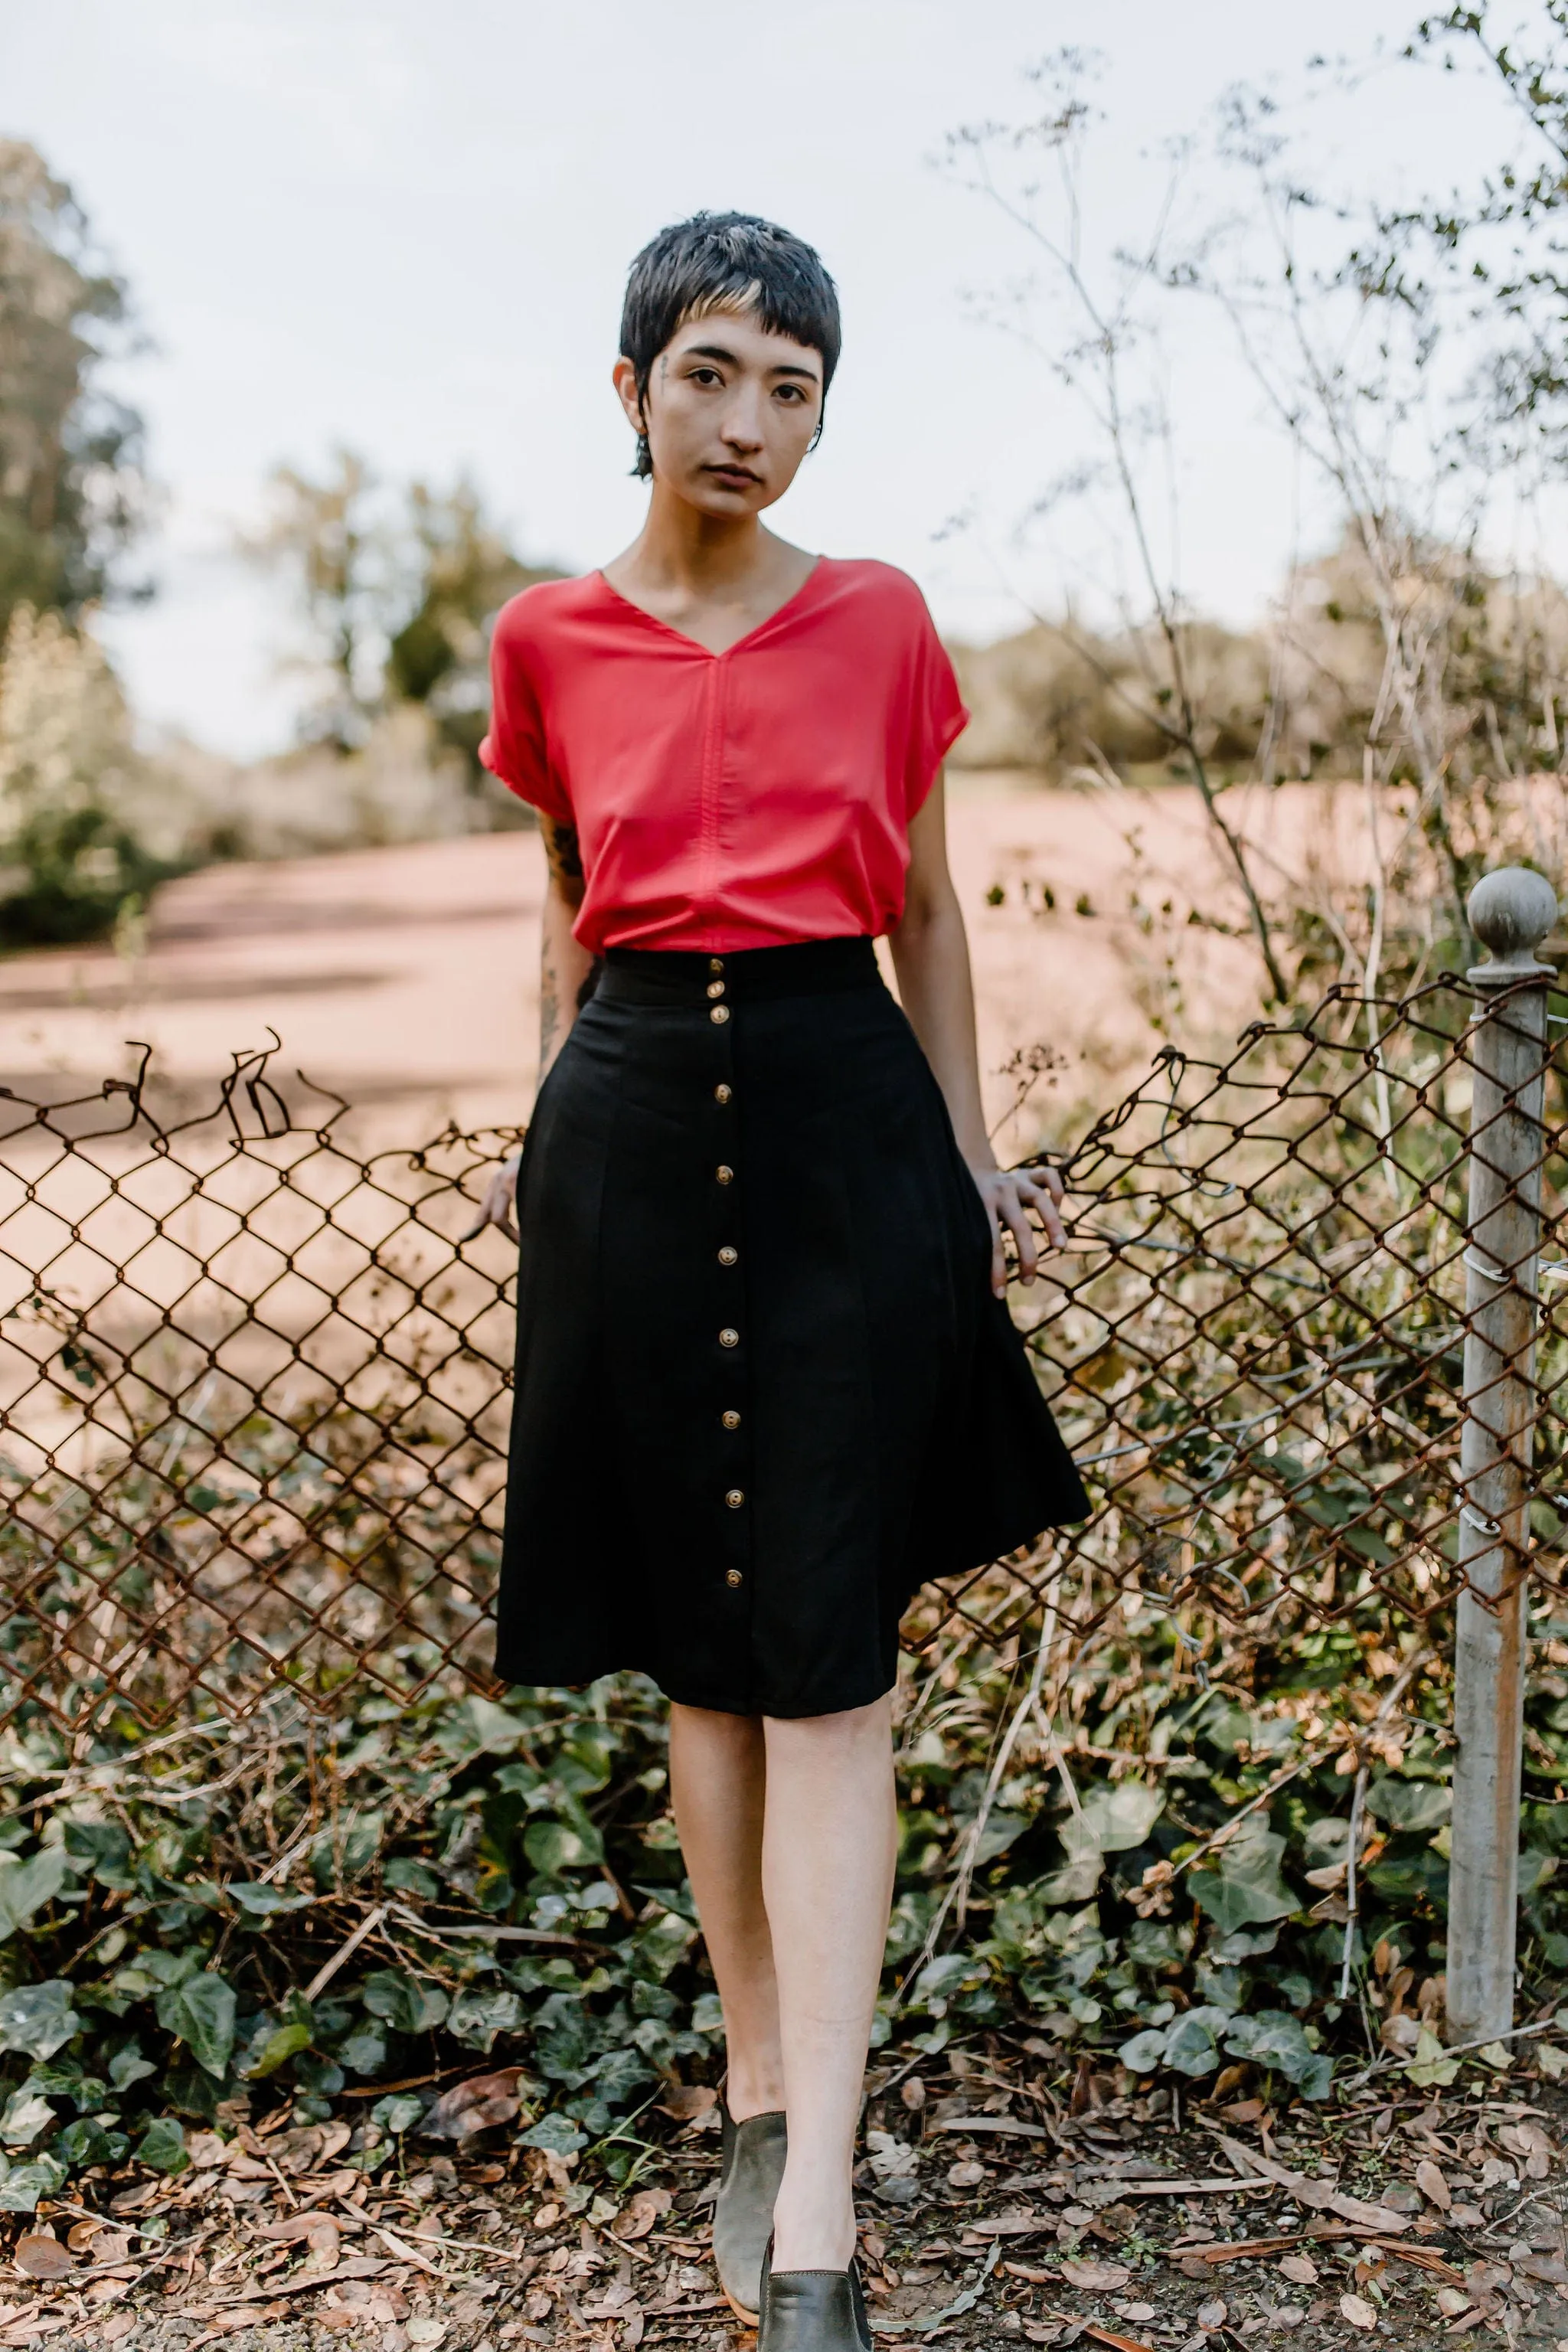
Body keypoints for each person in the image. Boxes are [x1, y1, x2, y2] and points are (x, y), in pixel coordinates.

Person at [469, 211, 1087, 2352]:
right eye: (712, 372)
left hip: (845, 1128)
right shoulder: (545, 639)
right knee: (700, 1661)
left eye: (794, 387)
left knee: (828, 1662)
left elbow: (929, 911)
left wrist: (974, 1156)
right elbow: (567, 906)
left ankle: (815, 2197)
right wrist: (543, 1145)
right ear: (630, 386)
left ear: (825, 416)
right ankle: (753, 2084)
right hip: (630, 1135)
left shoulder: (884, 618)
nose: (749, 420)